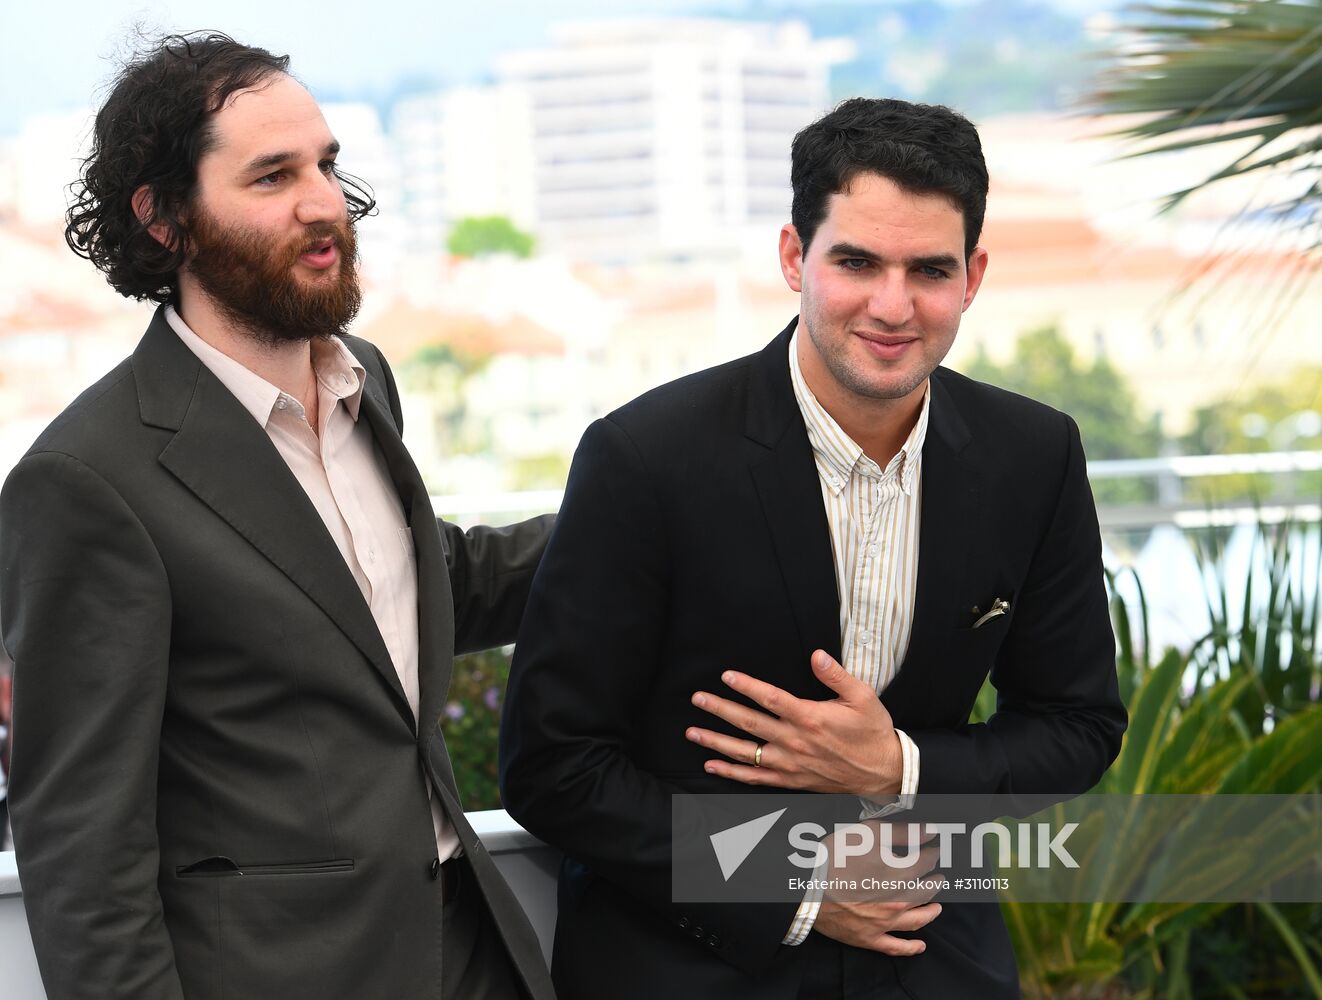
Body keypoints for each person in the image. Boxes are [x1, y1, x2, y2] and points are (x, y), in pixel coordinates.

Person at [500, 97, 1127, 999]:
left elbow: (1079, 726)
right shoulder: (646, 456)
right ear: (795, 256)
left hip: (934, 956)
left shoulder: (1034, 454)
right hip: (690, 967)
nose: (893, 305)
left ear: (975, 275)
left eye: (929, 270)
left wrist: (904, 767)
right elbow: (553, 767)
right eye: (857, 262)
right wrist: (792, 887)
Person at [0, 32, 553, 1000]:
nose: (323, 202)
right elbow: (84, 846)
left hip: (465, 942)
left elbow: (407, 598)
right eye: (271, 176)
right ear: (164, 219)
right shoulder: (88, 479)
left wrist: (649, 512)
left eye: (328, 165)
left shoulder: (364, 378)